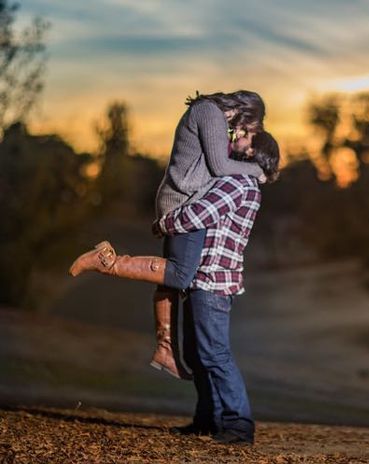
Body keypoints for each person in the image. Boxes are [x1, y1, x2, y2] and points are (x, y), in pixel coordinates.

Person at [70, 132, 280, 445]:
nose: (238, 135)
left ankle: (239, 425)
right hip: (203, 279)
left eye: (246, 137)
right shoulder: (235, 180)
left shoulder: (239, 183)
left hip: (213, 281)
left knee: (215, 354)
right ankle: (207, 420)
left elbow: (199, 214)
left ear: (253, 152)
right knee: (197, 353)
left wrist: (165, 224)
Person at [70, 90, 266, 379]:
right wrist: (257, 170)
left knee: (170, 283)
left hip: (181, 200)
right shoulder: (210, 112)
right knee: (180, 275)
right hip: (183, 202)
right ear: (245, 113)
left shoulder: (211, 116)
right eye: (249, 127)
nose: (244, 134)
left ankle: (166, 351)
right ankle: (107, 261)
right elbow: (221, 167)